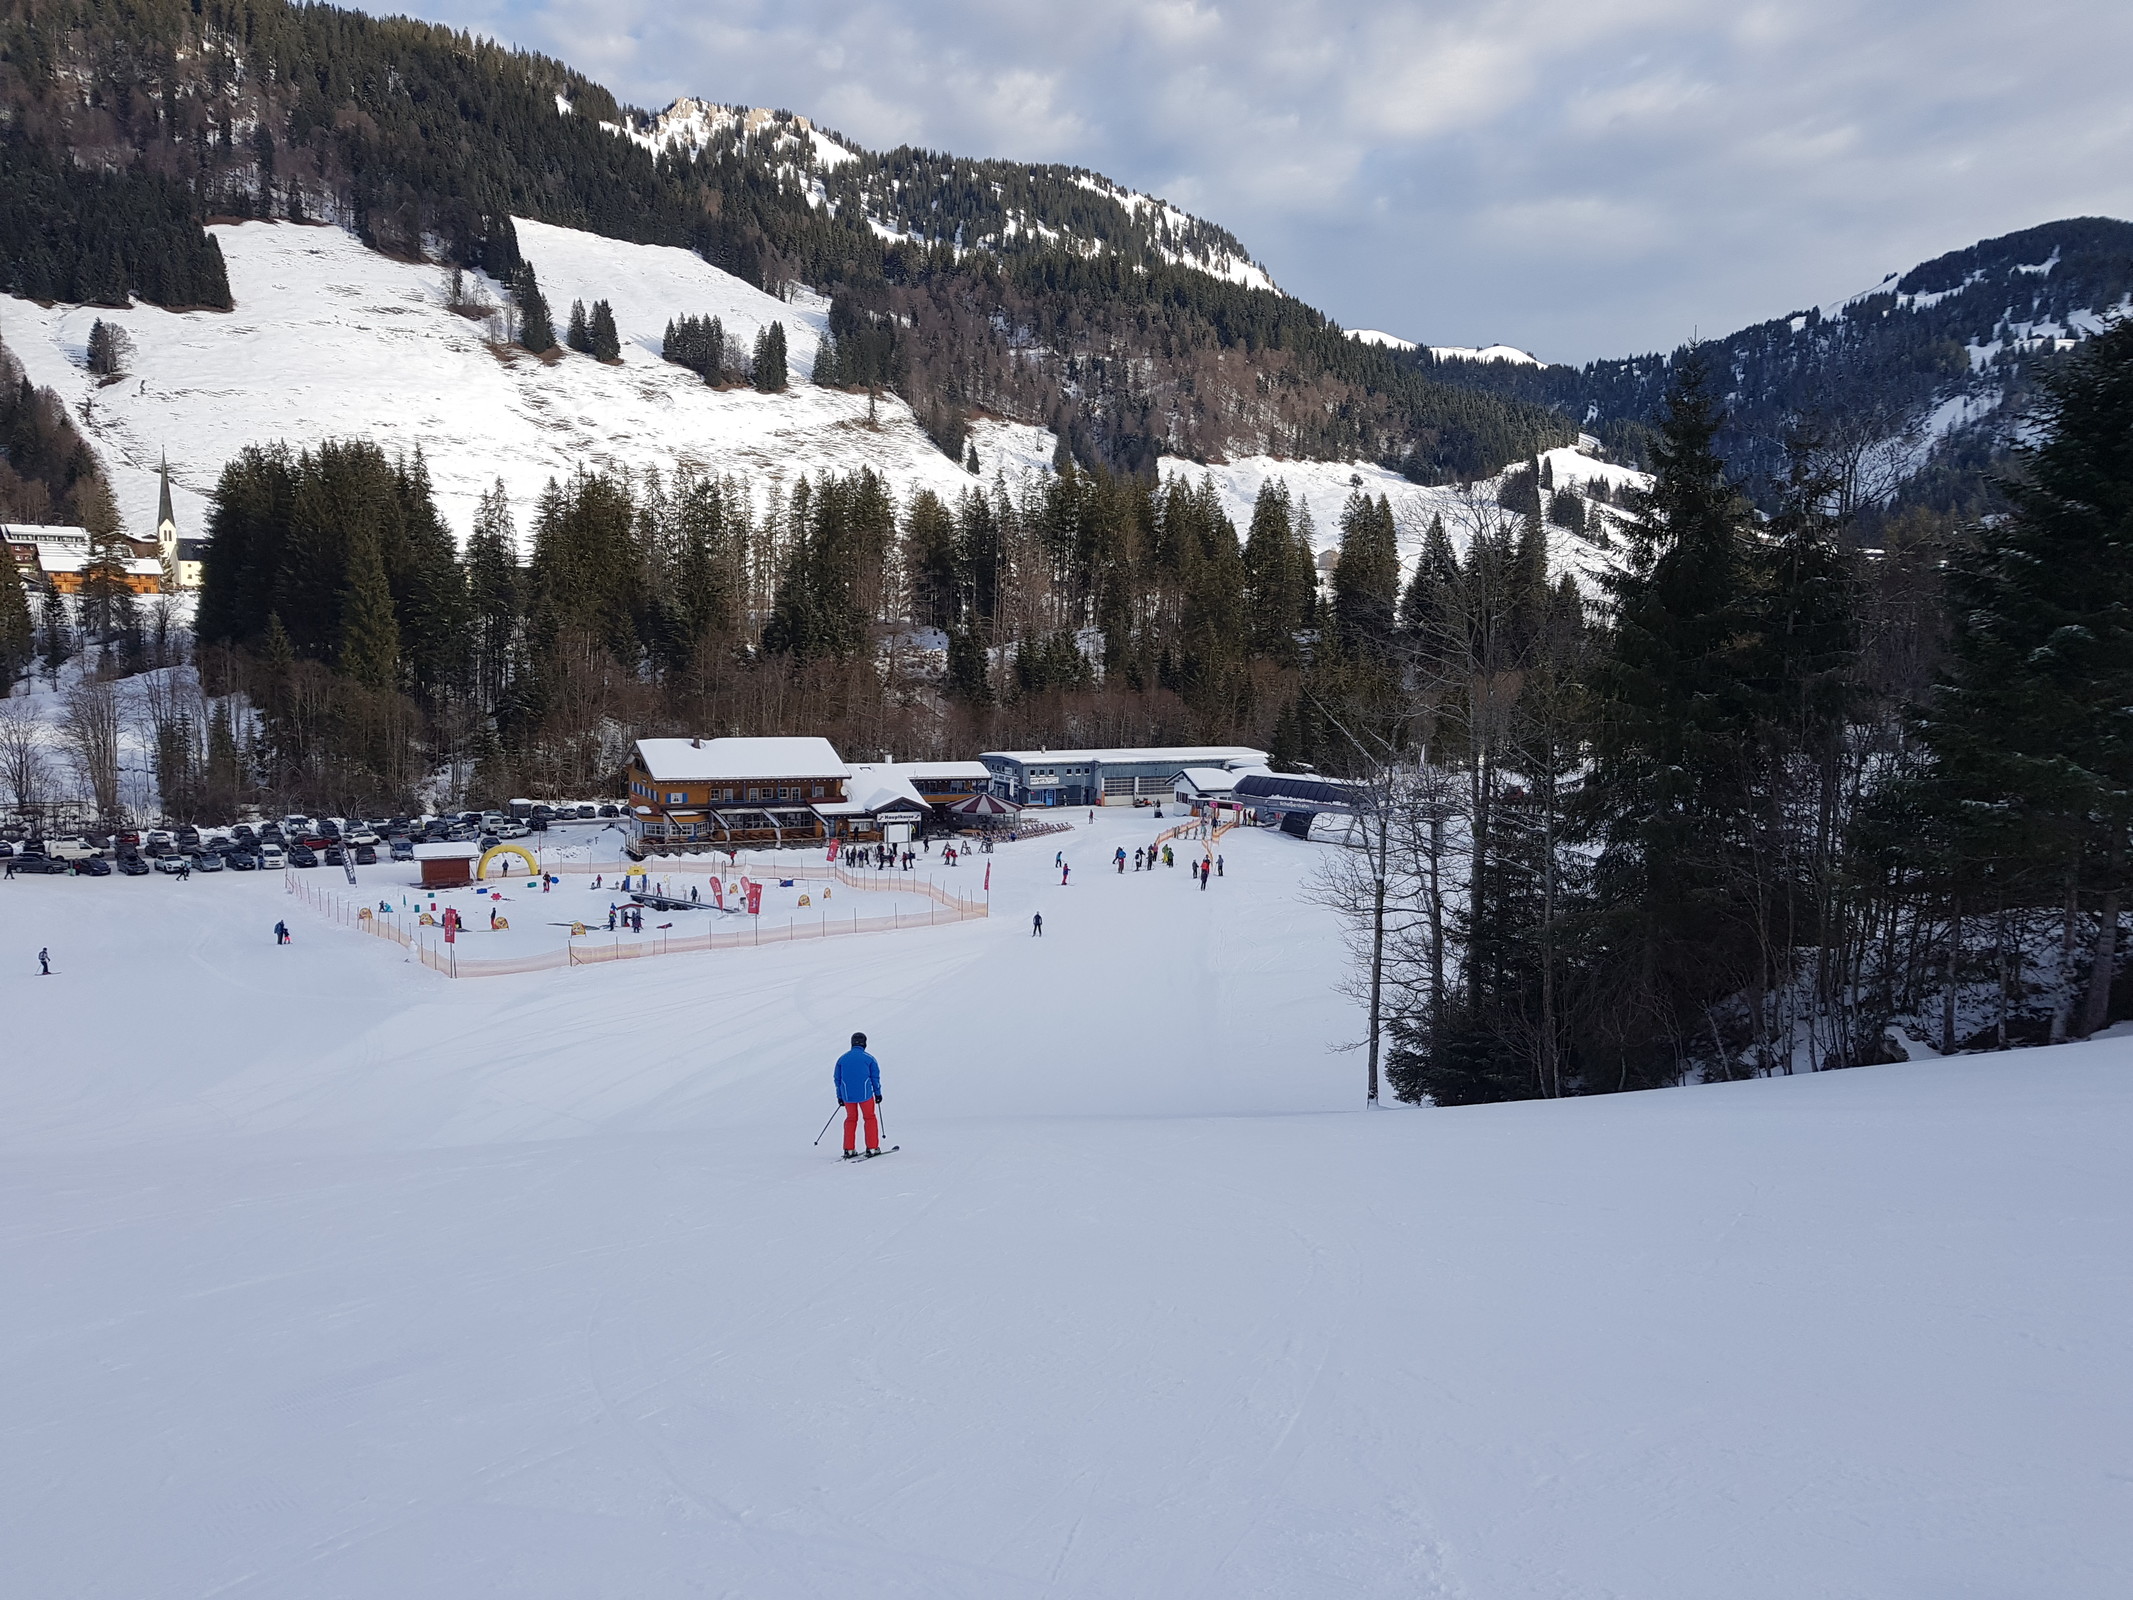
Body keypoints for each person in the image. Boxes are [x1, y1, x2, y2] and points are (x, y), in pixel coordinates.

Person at [834, 1031, 883, 1158]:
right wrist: (878, 1094)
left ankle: (849, 1149)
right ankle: (872, 1148)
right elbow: (875, 1078)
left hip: (847, 1096)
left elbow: (837, 1080)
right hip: (865, 1095)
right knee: (869, 1118)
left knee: (851, 1119)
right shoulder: (869, 1058)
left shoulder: (842, 1059)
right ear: (864, 1044)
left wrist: (840, 1096)